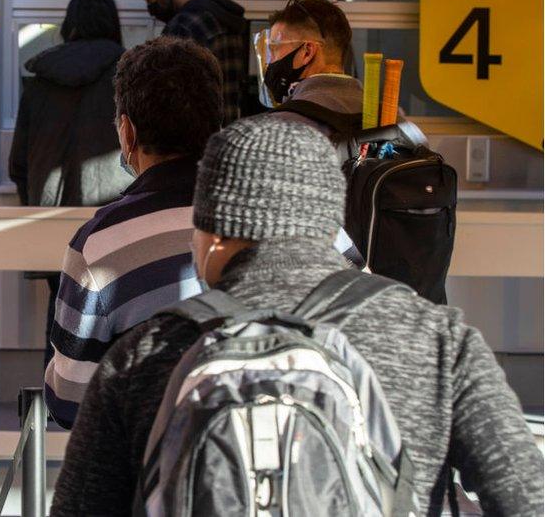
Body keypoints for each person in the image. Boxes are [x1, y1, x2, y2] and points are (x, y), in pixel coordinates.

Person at [50, 116, 543, 516]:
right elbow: (525, 498)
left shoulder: (142, 356)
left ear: (213, 235)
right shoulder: (436, 340)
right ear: (329, 226)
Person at [44, 36, 223, 429]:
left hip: (157, 478)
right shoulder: (296, 212)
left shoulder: (100, 244)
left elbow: (69, 400)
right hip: (297, 469)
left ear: (127, 133)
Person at [8, 0, 134, 369]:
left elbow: (18, 162)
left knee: (62, 316)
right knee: (119, 317)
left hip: (52, 226)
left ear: (70, 25)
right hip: (115, 219)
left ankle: (57, 404)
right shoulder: (128, 75)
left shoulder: (40, 81)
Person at [131, 0, 249, 125]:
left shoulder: (183, 26)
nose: (151, 9)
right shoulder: (226, 18)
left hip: (194, 138)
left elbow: (168, 98)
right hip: (228, 132)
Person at [258, 0, 359, 134]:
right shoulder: (390, 117)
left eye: (275, 50)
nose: (271, 62)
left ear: (307, 52)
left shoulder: (281, 127)